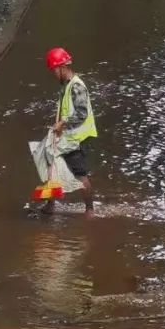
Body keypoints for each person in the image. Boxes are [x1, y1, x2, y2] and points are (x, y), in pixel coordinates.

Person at [45, 47, 98, 217]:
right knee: (50, 162)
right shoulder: (66, 85)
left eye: (54, 70)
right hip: (67, 134)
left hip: (76, 137)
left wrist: (62, 123)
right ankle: (50, 204)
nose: (53, 74)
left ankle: (90, 210)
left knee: (80, 174)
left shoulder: (76, 87)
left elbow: (81, 114)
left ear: (62, 67)